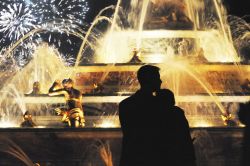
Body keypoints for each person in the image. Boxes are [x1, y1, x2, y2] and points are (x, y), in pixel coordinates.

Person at [119, 65, 196, 166]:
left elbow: (129, 135)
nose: (160, 81)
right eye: (157, 78)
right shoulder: (163, 107)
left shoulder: (125, 104)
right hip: (158, 159)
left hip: (133, 158)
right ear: (150, 80)